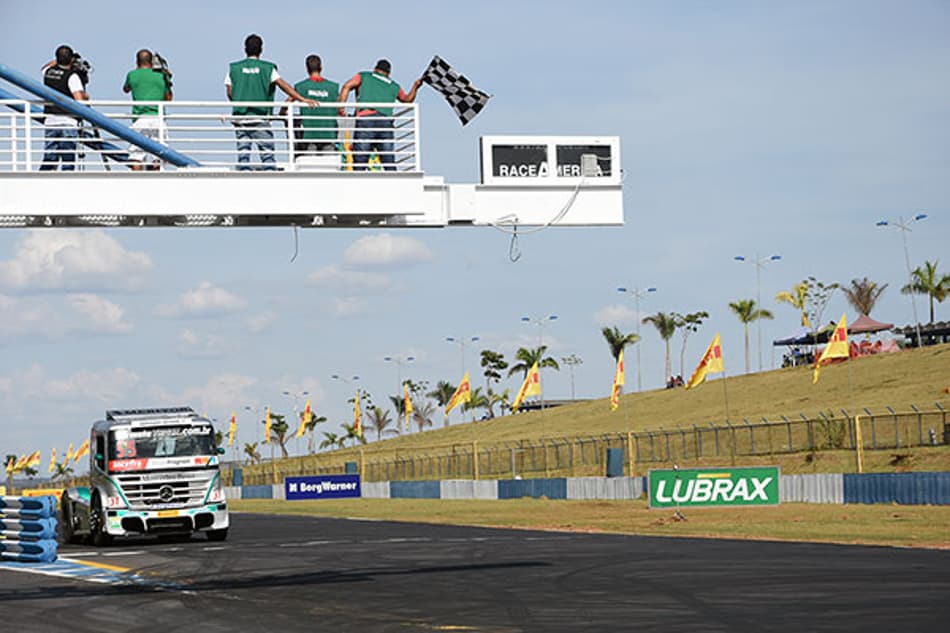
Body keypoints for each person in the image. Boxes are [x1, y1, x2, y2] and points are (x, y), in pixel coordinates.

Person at [225, 34, 316, 171]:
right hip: (260, 118)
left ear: (245, 49)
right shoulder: (268, 68)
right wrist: (302, 99)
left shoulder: (234, 68)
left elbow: (230, 92)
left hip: (240, 118)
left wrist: (241, 100)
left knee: (243, 157)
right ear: (261, 49)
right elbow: (284, 85)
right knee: (267, 157)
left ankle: (244, 177)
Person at [338, 59, 423, 171]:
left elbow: (346, 86)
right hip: (385, 123)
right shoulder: (393, 85)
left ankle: (359, 180)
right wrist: (415, 87)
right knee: (388, 161)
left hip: (366, 120)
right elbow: (407, 100)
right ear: (389, 73)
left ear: (375, 69)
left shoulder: (364, 76)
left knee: (360, 161)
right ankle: (394, 179)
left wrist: (341, 108)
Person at [39, 45, 88, 171]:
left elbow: (44, 68)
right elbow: (79, 100)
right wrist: (85, 96)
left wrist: (59, 59)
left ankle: (42, 178)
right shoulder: (72, 76)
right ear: (71, 59)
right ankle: (67, 180)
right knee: (68, 158)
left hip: (50, 120)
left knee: (50, 156)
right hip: (67, 121)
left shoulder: (48, 72)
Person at [123, 49, 172, 171]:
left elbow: (126, 89)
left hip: (140, 119)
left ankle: (137, 179)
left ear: (137, 61)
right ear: (152, 62)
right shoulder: (162, 76)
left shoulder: (132, 75)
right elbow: (168, 98)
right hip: (158, 118)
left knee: (136, 155)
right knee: (158, 156)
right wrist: (168, 80)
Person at [289, 54, 341, 159]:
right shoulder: (333, 87)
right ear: (321, 67)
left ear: (307, 68)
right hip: (328, 134)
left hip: (309, 135)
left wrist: (283, 113)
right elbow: (340, 107)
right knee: (328, 164)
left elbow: (288, 102)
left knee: (309, 165)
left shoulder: (301, 86)